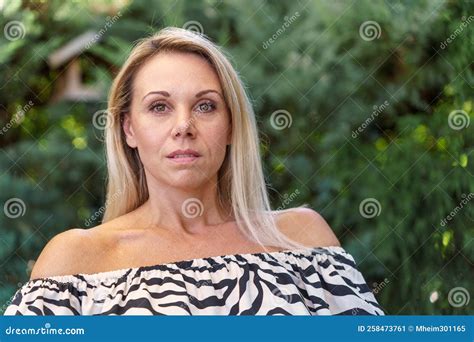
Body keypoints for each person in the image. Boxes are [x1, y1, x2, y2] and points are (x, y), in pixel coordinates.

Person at [4, 27, 384, 315]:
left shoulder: (304, 240)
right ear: (128, 129)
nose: (183, 126)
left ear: (232, 124)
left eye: (205, 106)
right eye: (159, 107)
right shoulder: (75, 263)